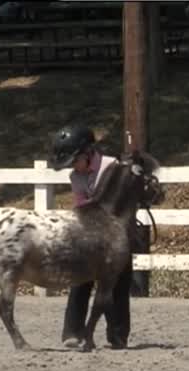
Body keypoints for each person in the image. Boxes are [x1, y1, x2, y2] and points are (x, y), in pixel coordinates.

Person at [50, 125, 132, 350]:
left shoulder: (113, 167)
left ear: (88, 153)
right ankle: (73, 331)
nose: (73, 167)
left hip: (116, 233)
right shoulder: (75, 176)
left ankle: (117, 334)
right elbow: (79, 205)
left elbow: (121, 204)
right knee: (80, 279)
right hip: (90, 233)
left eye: (74, 160)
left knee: (118, 284)